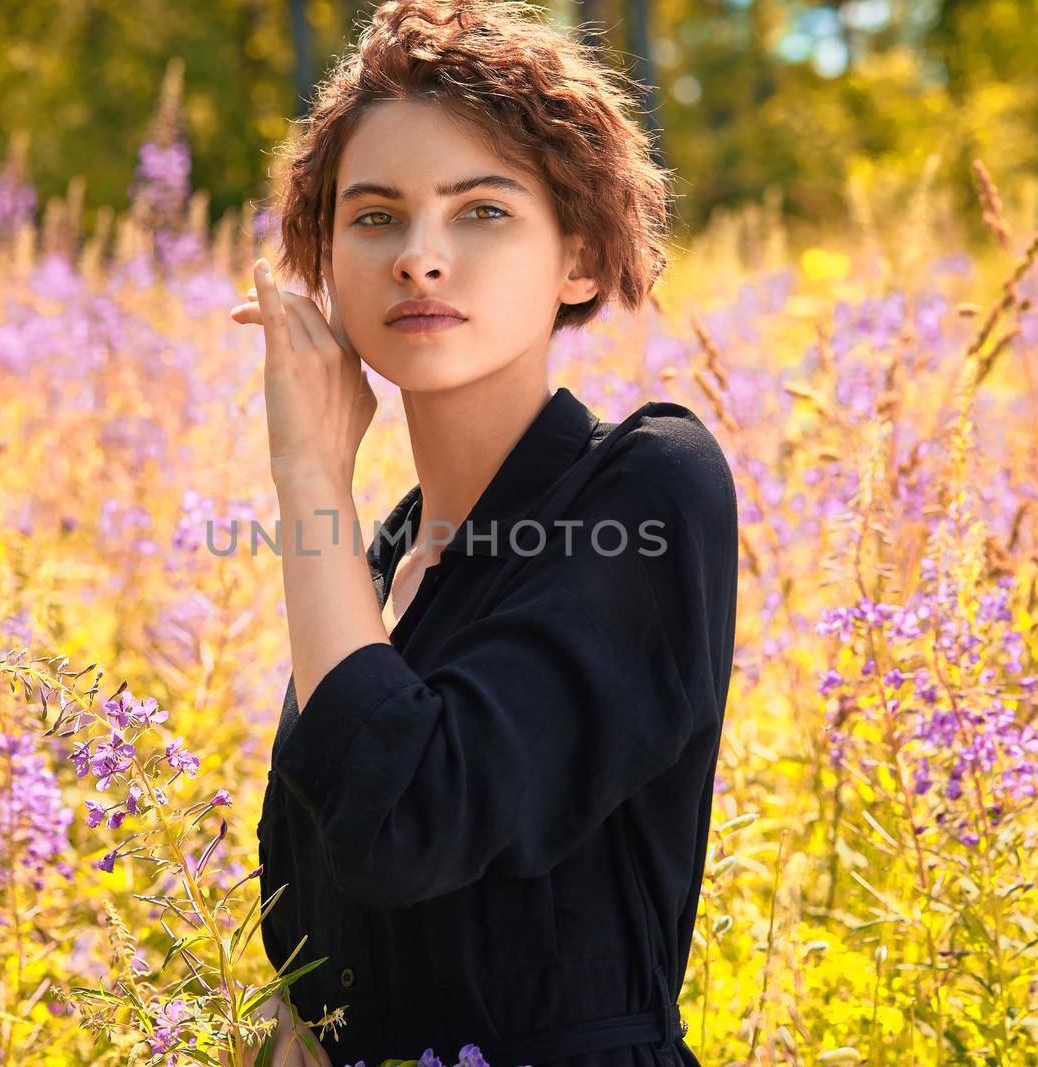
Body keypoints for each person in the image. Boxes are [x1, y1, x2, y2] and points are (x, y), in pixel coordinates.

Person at [227, 2, 738, 1064]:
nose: (419, 257)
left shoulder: (649, 488)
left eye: (482, 212)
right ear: (323, 264)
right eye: (373, 217)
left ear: (583, 259)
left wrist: (309, 473)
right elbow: (306, 970)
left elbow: (410, 817)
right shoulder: (373, 569)